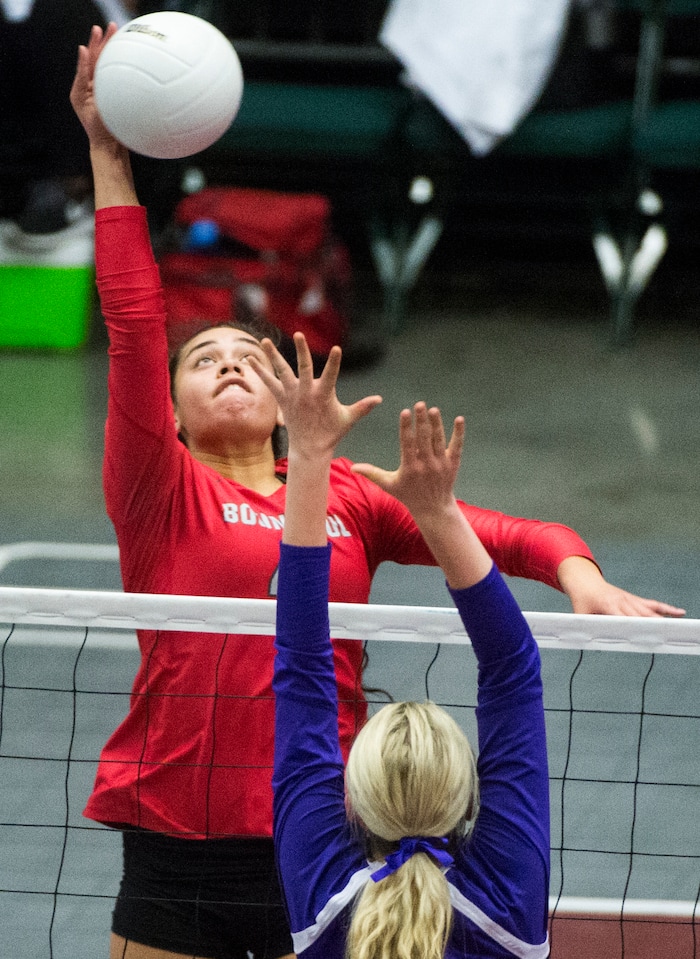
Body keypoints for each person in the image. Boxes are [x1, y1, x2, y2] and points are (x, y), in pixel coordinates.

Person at [69, 23, 684, 959]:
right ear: (172, 410)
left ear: (288, 398)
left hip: (318, 828)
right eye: (204, 359)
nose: (230, 362)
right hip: (176, 833)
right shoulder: (158, 487)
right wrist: (108, 161)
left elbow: (510, 533)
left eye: (249, 352)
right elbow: (132, 315)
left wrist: (580, 576)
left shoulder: (347, 491)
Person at [265, 331, 549, 958]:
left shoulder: (325, 897)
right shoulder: (507, 904)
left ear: (354, 806)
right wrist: (440, 512)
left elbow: (301, 665)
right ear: (471, 795)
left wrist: (309, 455)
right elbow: (513, 671)